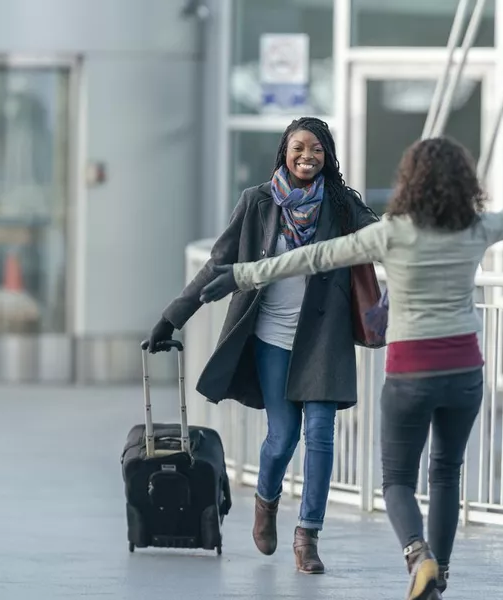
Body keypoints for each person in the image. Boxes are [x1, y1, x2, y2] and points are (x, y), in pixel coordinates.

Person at [198, 137, 503, 600]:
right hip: (464, 372)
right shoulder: (476, 229)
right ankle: (438, 575)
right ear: (464, 183)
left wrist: (240, 275)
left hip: (410, 373)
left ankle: (418, 557)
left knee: (398, 479)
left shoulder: (392, 233)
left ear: (410, 183)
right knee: (446, 471)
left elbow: (315, 256)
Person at [147, 117, 378, 574]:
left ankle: (307, 536)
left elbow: (384, 238)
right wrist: (172, 317)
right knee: (282, 437)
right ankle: (267, 502)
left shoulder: (342, 205)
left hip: (324, 339)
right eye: (298, 148)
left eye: (316, 149)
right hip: (271, 337)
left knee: (321, 436)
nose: (307, 156)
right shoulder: (257, 203)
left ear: (328, 156)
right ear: (284, 152)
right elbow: (218, 265)